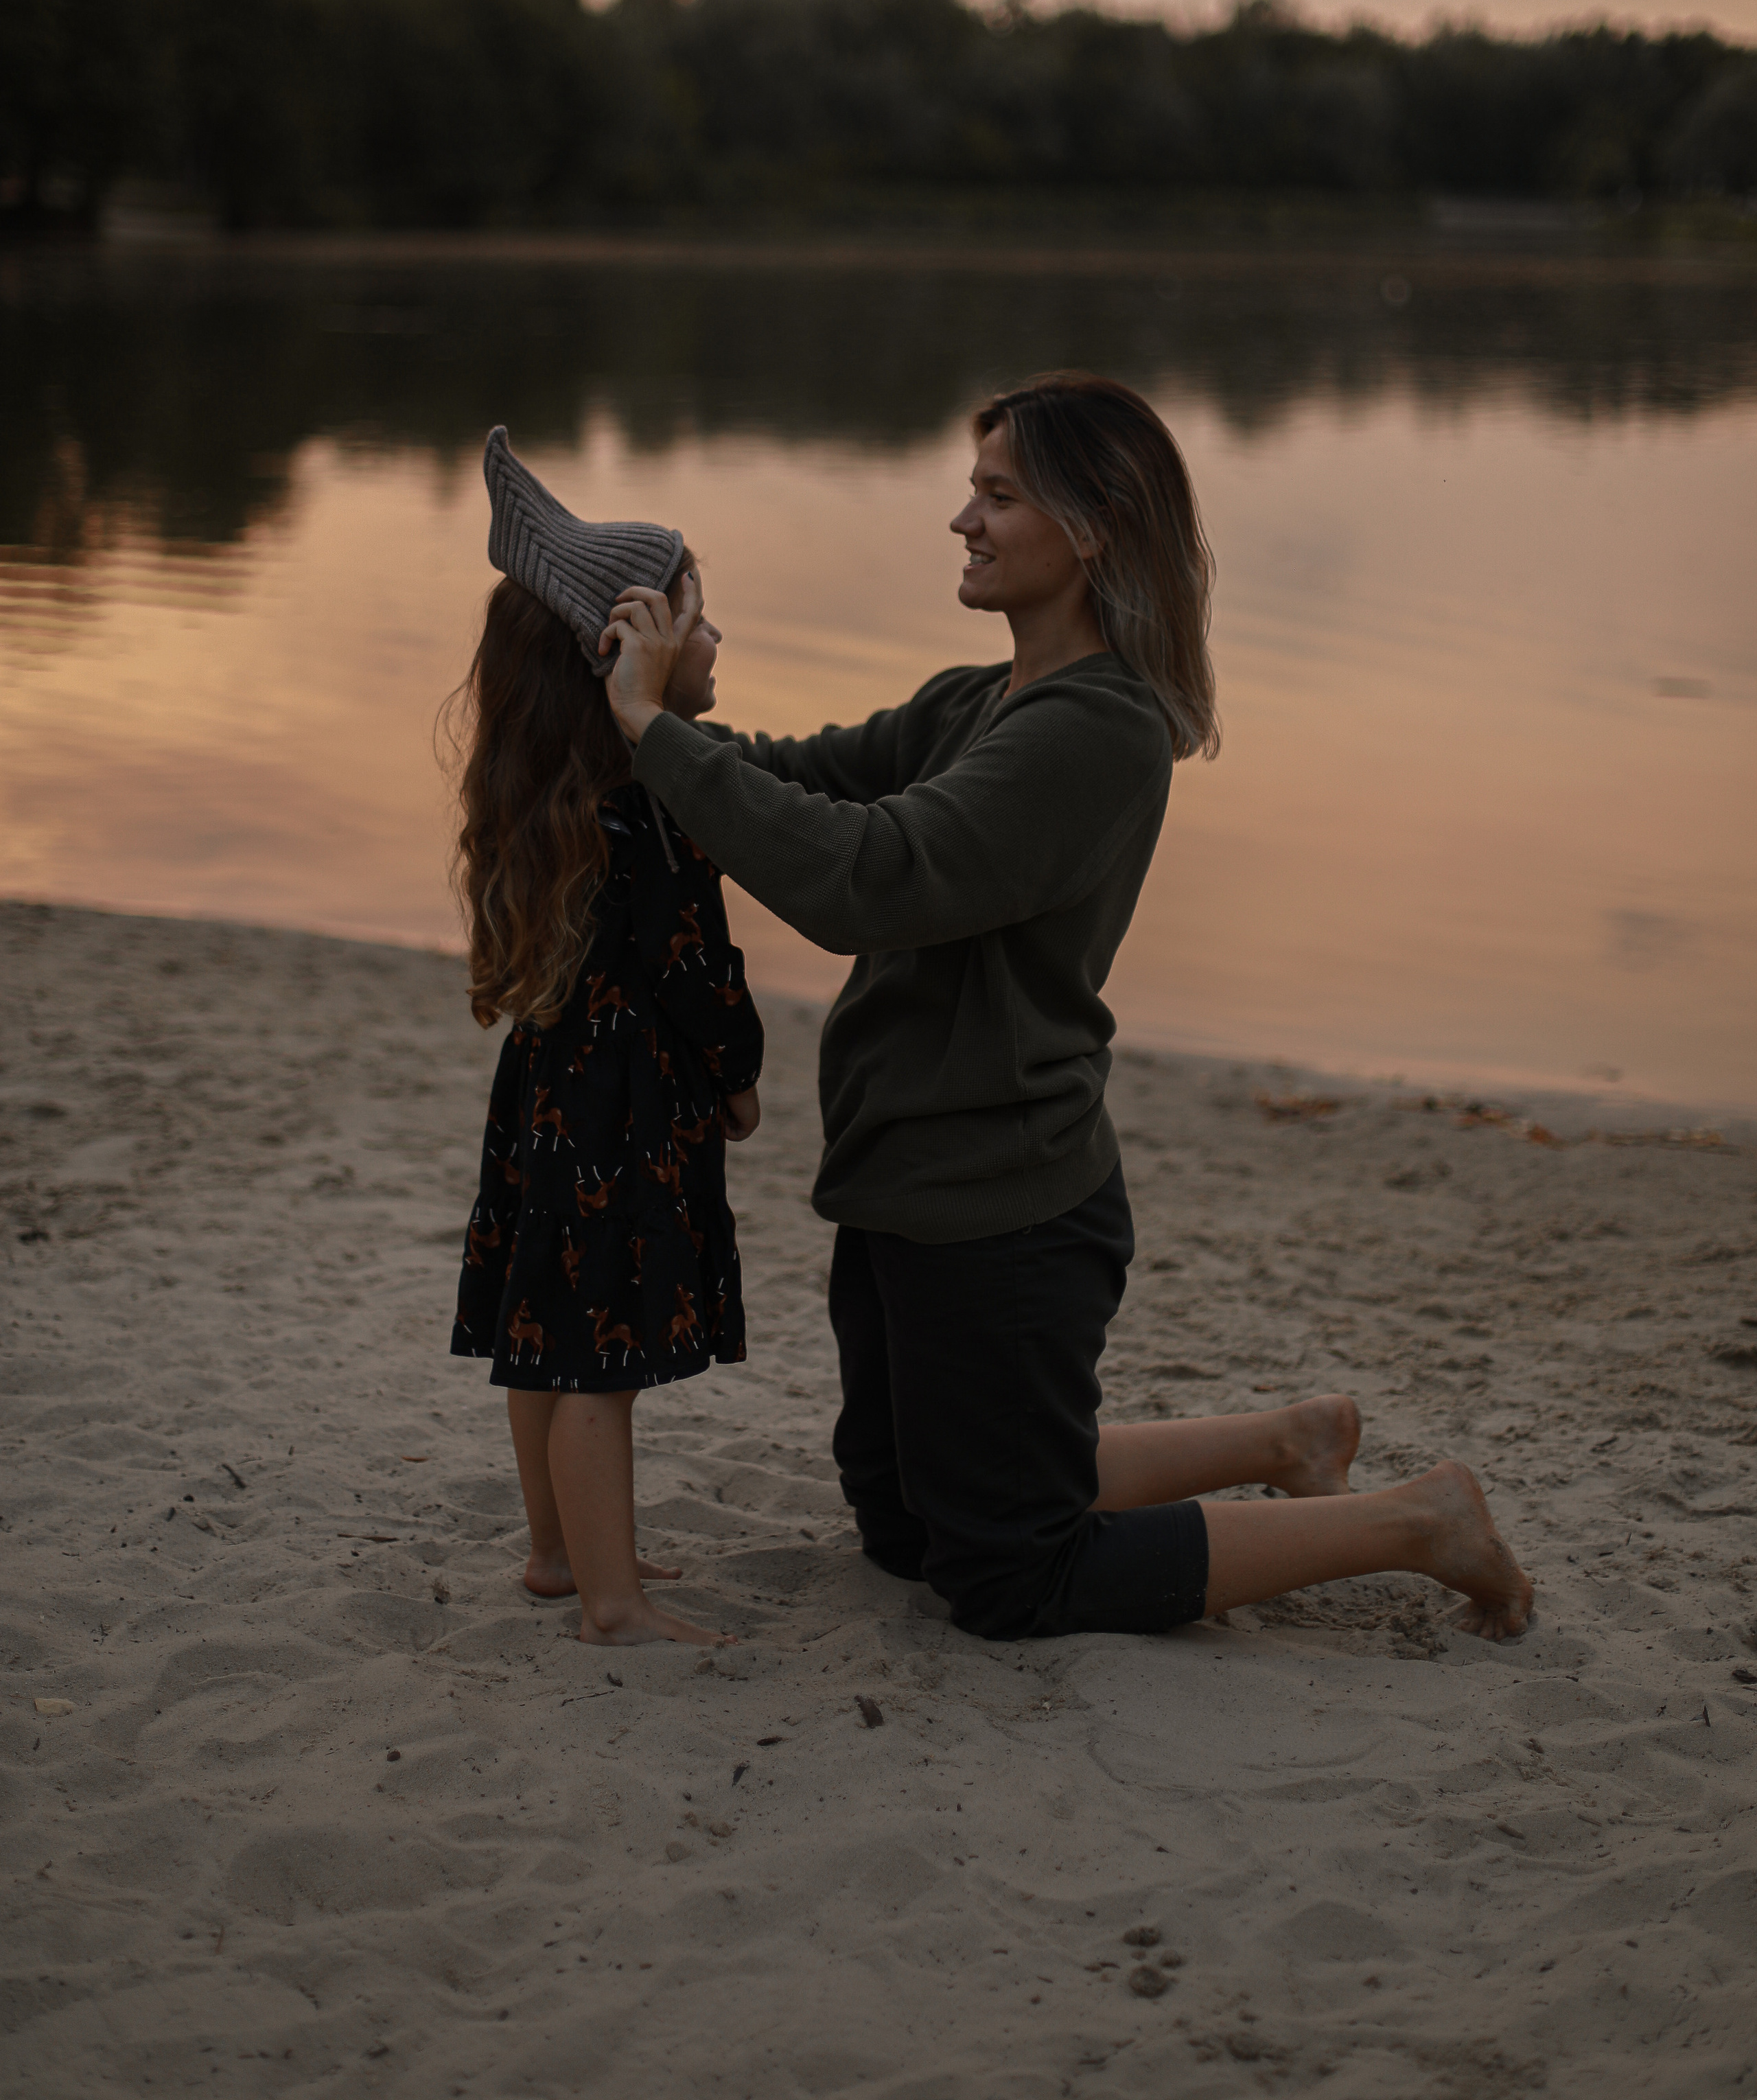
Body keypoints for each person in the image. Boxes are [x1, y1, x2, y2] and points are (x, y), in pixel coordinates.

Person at [596, 371, 1533, 1647]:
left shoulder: (1097, 734)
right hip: (902, 1180)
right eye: (971, 490)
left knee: (1008, 1577)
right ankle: (1287, 1437)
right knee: (902, 1525)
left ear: (1090, 528)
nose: (962, 521)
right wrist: (638, 695)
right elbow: (777, 784)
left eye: (997, 496)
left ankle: (1421, 1523)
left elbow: (867, 879)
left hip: (1002, 1200)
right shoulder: (973, 704)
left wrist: (654, 731)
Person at [447, 428, 764, 1647]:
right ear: (628, 651)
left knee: (542, 1334)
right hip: (623, 1113)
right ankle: (614, 1605)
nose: (719, 640)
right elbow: (693, 966)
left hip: (544, 1097)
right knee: (598, 1365)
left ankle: (552, 1554)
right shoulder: (652, 805)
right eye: (702, 618)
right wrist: (737, 1077)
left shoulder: (556, 805)